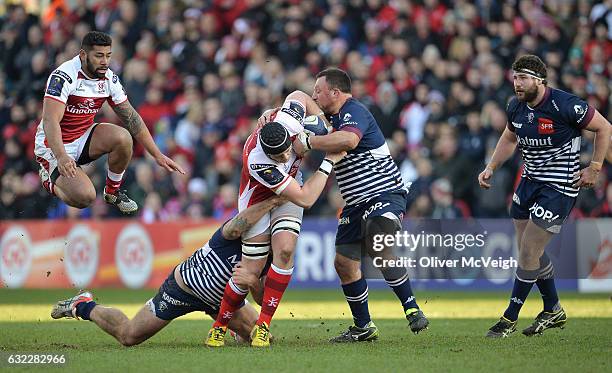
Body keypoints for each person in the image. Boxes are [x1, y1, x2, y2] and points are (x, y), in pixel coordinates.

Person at [478, 54, 611, 338]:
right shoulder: (516, 107)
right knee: (529, 252)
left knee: (528, 251)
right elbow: (509, 138)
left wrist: (595, 167)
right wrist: (491, 166)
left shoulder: (565, 105)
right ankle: (552, 308)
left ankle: (509, 318)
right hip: (529, 182)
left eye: (523, 78)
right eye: (515, 77)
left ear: (539, 80)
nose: (517, 83)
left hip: (558, 187)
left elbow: (604, 128)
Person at [296, 68, 429, 342]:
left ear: (335, 92)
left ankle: (411, 308)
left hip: (384, 193)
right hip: (355, 203)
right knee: (343, 263)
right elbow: (299, 98)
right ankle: (363, 326)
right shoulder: (327, 118)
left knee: (377, 242)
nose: (314, 95)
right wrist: (270, 116)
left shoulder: (354, 110)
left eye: (318, 90)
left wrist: (308, 141)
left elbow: (349, 140)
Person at [206, 93, 345, 348]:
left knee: (286, 250)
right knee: (251, 271)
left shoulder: (287, 121)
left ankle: (263, 325)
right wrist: (328, 162)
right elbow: (305, 199)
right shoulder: (259, 161)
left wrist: (323, 120)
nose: (285, 158)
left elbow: (299, 96)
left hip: (289, 190)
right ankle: (219, 326)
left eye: (286, 152)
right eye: (278, 157)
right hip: (258, 202)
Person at [50, 196, 286, 346]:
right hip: (184, 290)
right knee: (128, 336)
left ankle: (235, 329)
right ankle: (82, 305)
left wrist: (253, 282)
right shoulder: (242, 230)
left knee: (264, 338)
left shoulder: (275, 252)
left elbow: (262, 298)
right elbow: (236, 225)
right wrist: (273, 201)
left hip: (223, 301)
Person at [35, 31, 183, 214]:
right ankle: (49, 180)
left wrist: (157, 154)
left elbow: (132, 118)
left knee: (123, 137)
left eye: (108, 55)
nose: (105, 61)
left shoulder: (109, 78)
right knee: (85, 197)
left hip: (82, 136)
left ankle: (112, 192)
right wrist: (61, 156)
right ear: (83, 55)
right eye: (99, 56)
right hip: (54, 145)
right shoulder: (64, 76)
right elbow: (50, 121)